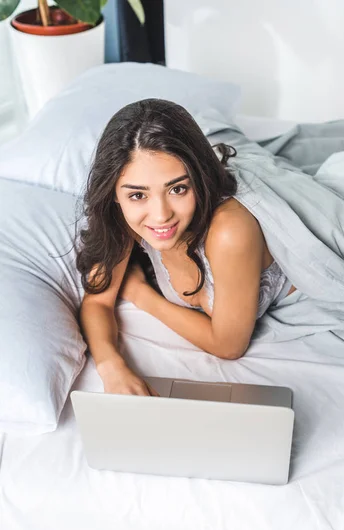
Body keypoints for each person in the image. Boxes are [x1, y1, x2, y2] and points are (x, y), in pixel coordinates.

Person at [76, 99, 296, 396]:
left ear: (198, 180)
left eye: (177, 188)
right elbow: (97, 302)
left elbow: (229, 345)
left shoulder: (230, 231)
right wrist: (112, 367)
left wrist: (142, 294)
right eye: (138, 195)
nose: (161, 214)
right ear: (115, 193)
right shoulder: (124, 218)